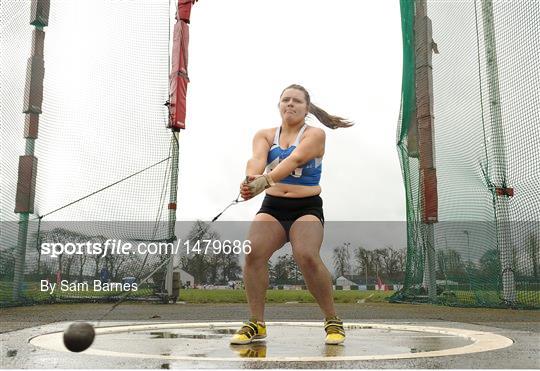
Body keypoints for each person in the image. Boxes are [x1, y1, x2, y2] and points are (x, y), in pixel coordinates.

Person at [230, 84, 352, 346]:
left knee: (306, 254)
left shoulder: (315, 134)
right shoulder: (264, 134)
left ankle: (332, 320)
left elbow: (294, 161)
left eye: (297, 100)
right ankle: (256, 323)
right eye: (285, 100)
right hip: (273, 207)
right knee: (253, 252)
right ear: (279, 105)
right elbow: (255, 160)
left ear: (307, 108)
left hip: (306, 206)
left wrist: (265, 180)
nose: (290, 104)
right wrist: (251, 178)